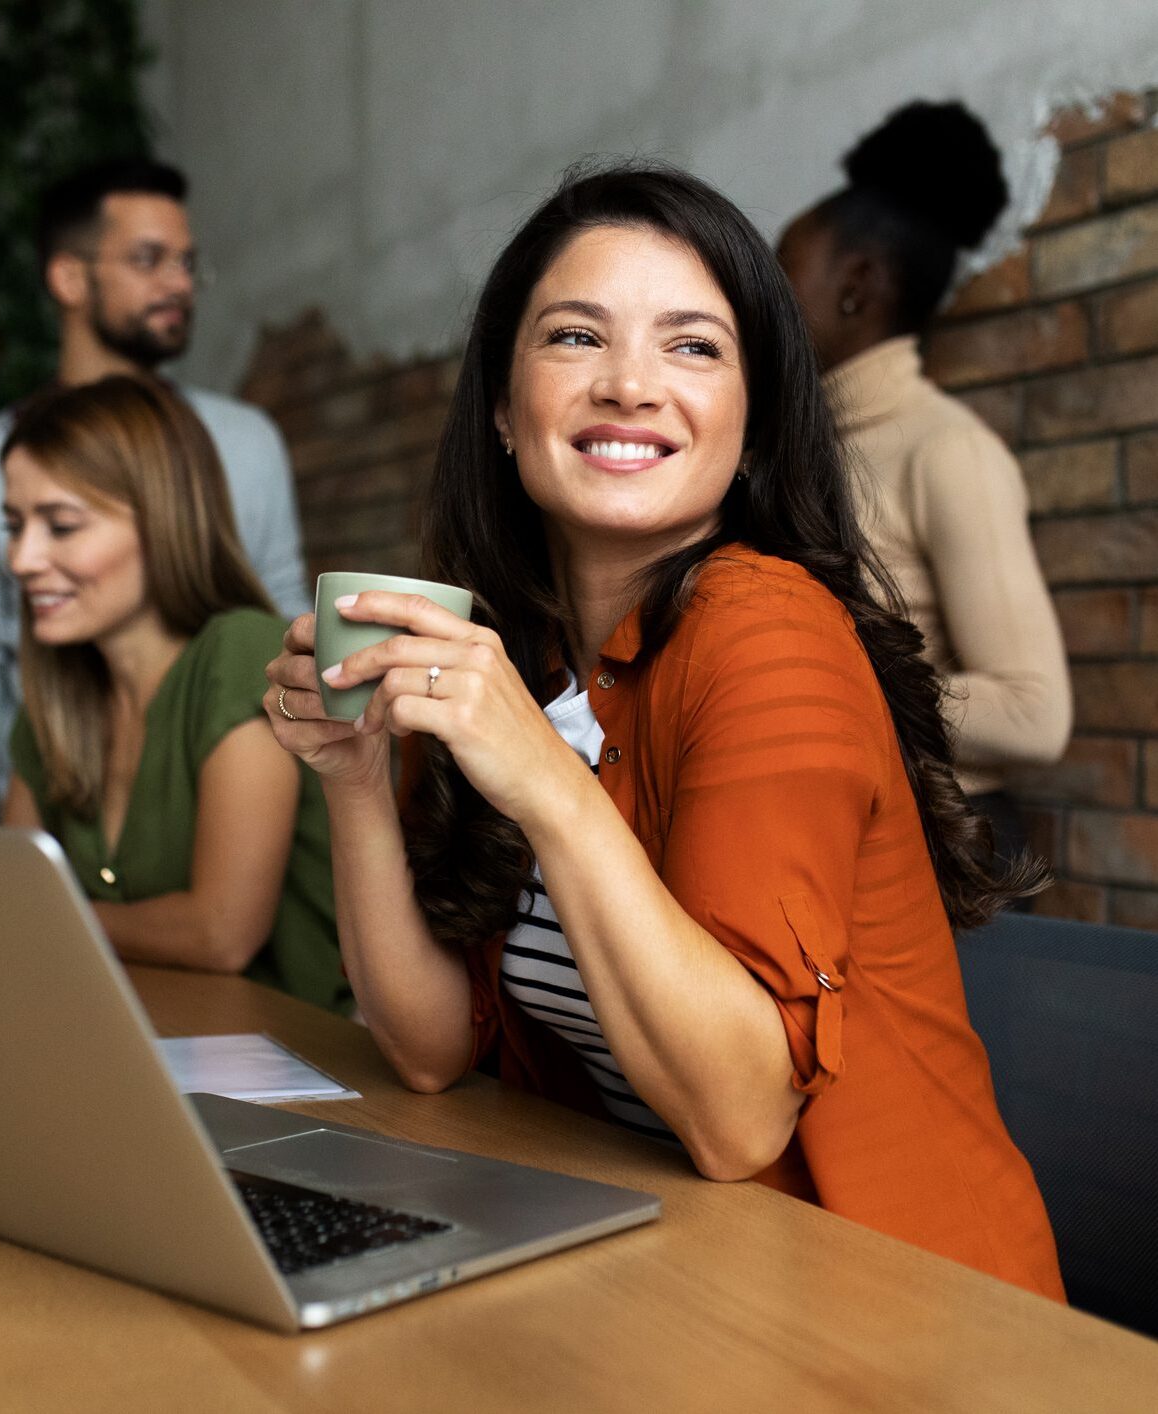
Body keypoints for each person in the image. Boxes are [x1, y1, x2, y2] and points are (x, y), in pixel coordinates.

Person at [264, 162, 1065, 1299]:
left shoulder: (766, 631)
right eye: (575, 338)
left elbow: (742, 1120)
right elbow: (431, 1049)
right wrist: (352, 777)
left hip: (905, 1302)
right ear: (501, 406)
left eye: (691, 346)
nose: (629, 384)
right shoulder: (527, 657)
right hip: (681, 1268)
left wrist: (543, 778)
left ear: (751, 426)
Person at [0, 156, 310, 824]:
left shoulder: (244, 442)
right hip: (50, 803)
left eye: (187, 263)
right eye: (148, 259)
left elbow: (283, 621)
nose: (178, 283)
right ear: (69, 277)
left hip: (225, 809)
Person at [776, 101, 1071, 869]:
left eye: (782, 276)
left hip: (941, 856)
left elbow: (1036, 714)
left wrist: (825, 690)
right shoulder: (795, 453)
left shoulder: (948, 452)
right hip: (827, 840)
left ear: (858, 285)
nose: (758, 305)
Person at [1, 375, 348, 1015]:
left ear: (162, 522)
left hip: (292, 1069)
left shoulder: (242, 650)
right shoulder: (54, 699)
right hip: (132, 1046)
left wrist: (56, 919)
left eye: (61, 524)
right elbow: (7, 908)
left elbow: (221, 933)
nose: (21, 558)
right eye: (15, 524)